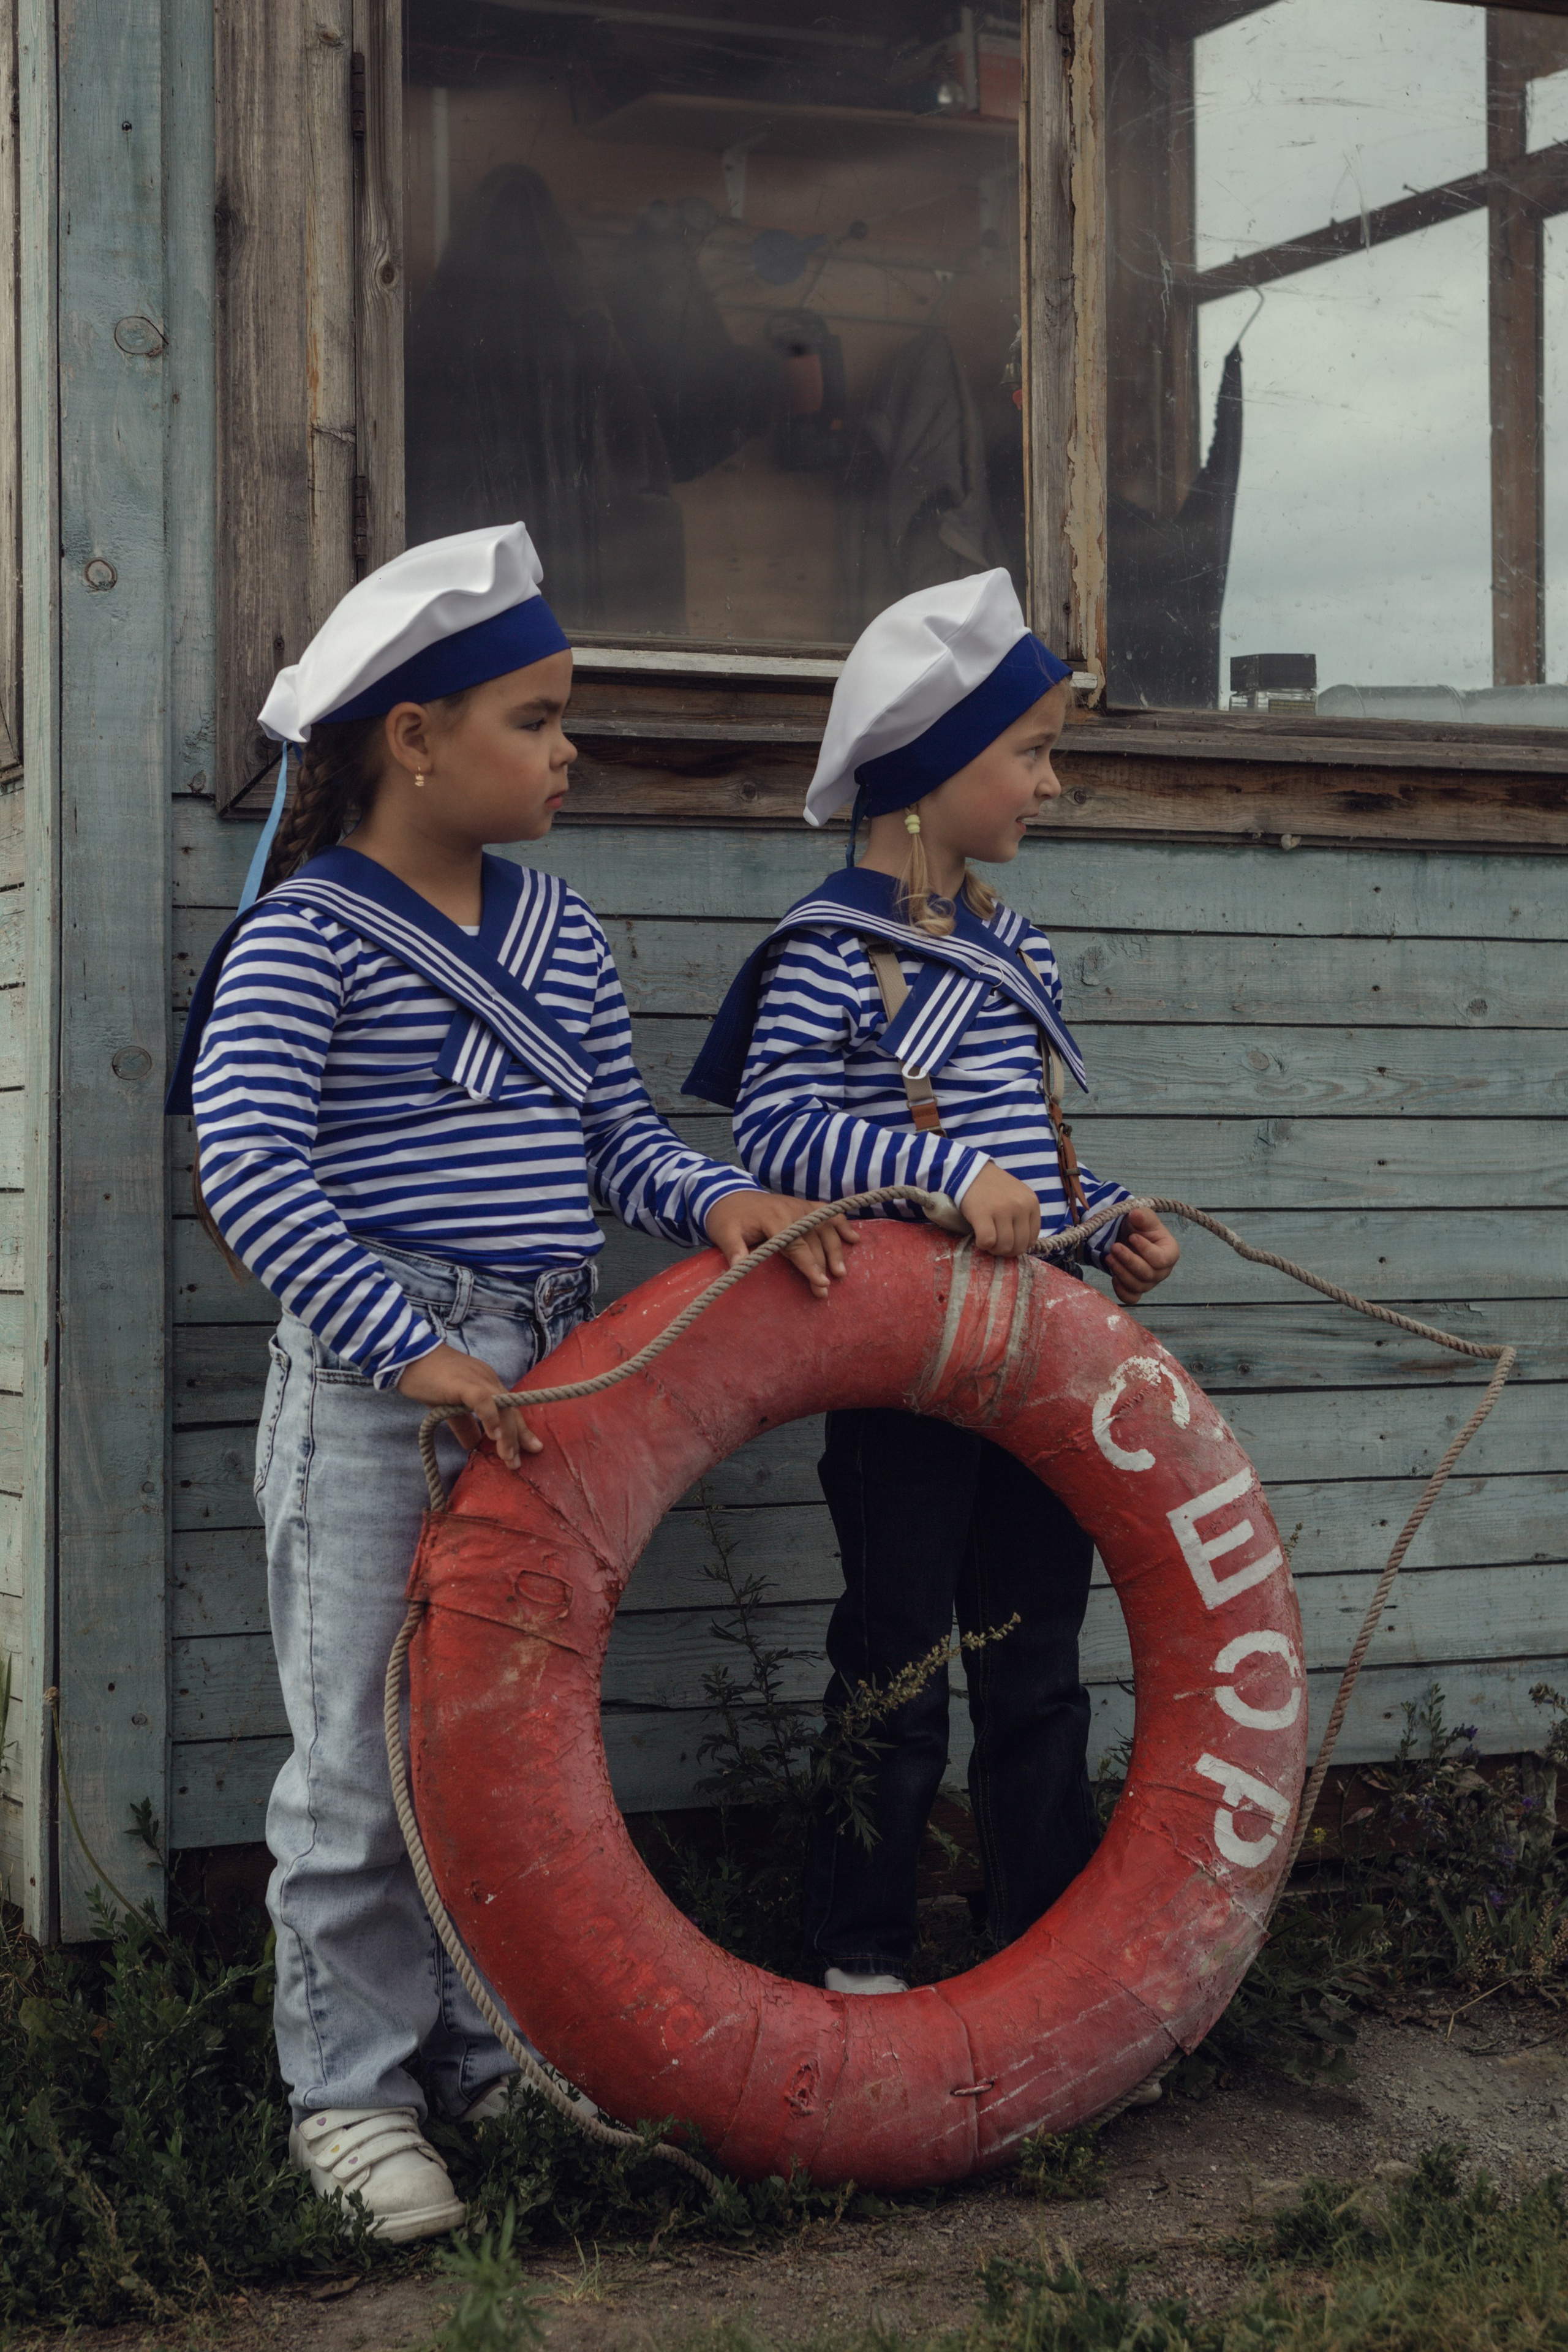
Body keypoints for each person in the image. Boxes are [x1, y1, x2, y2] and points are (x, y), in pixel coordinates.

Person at [167, 522, 853, 2242]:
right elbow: (248, 1169)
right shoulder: (306, 935)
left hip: (549, 1377)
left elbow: (618, 1136)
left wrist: (720, 1199)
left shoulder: (558, 927)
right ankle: (349, 2092)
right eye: (537, 718)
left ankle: (487, 2051)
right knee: (355, 1755)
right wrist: (410, 1349)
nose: (569, 751)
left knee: (499, 1738)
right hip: (376, 1382)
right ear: (413, 738)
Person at [684, 570, 1180, 2002]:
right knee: (895, 1668)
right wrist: (941, 1186)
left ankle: (1046, 1947)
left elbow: (1026, 1170)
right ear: (921, 775)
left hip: (1034, 1365)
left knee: (1036, 1669)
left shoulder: (1016, 951)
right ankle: (860, 1953)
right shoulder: (831, 951)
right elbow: (773, 1127)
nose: (1050, 782)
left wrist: (1103, 1231)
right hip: (902, 1384)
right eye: (1026, 753)